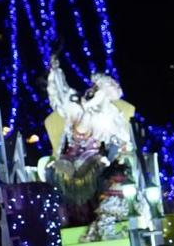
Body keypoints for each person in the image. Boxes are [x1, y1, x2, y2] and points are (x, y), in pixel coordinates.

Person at [45, 54, 136, 231]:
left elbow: (120, 138)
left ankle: (95, 218)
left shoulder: (105, 116)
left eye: (95, 91)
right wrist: (55, 72)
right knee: (56, 174)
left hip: (92, 160)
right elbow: (60, 92)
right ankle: (69, 220)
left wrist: (110, 157)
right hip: (71, 158)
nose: (89, 93)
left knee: (97, 178)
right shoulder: (72, 109)